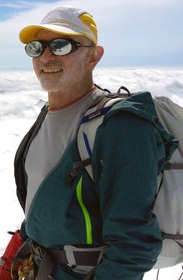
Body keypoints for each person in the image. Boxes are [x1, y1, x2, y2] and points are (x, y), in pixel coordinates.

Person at [12, 6, 176, 280]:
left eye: (62, 45)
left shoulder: (120, 126)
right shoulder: (46, 116)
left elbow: (133, 246)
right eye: (36, 47)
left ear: (93, 56)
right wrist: (22, 242)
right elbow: (46, 199)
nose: (46, 56)